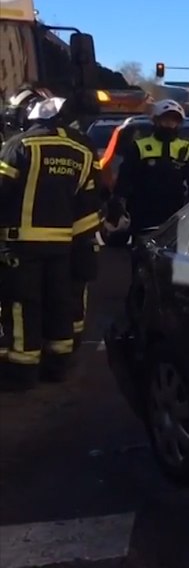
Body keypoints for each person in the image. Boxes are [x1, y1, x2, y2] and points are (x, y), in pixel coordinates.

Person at [0, 97, 100, 388]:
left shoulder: (20, 146)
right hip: (62, 245)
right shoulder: (82, 150)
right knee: (59, 302)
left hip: (21, 244)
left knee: (22, 304)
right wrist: (84, 244)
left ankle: (22, 370)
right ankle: (57, 364)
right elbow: (87, 203)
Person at [111, 100, 189, 243]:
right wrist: (119, 202)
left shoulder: (187, 148)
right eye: (166, 120)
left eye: (174, 120)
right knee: (142, 249)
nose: (169, 124)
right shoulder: (140, 146)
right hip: (143, 211)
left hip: (174, 210)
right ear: (156, 120)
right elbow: (125, 178)